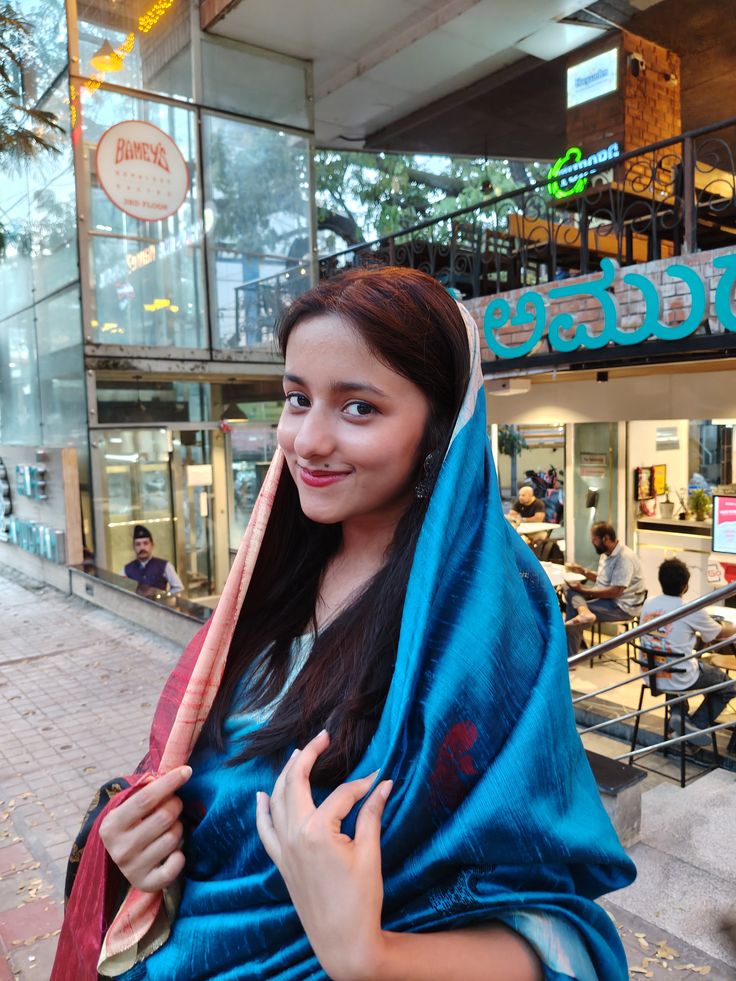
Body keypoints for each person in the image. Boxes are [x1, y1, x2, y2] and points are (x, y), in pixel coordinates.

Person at [53, 268, 634, 981]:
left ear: (439, 427)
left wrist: (371, 954)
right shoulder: (270, 576)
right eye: (297, 398)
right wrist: (138, 850)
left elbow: (548, 919)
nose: (308, 440)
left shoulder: (489, 612)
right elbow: (199, 786)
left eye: (359, 407)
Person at [639, 558, 736, 745]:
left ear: (661, 580)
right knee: (728, 687)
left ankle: (678, 714)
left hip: (651, 672)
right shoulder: (690, 609)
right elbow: (716, 633)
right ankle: (693, 726)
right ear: (685, 586)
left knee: (680, 663)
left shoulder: (648, 604)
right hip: (677, 676)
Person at [564, 521, 646, 660]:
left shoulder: (624, 558)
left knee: (573, 605)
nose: (592, 542)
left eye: (594, 539)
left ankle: (570, 658)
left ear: (606, 538)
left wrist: (584, 590)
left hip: (622, 606)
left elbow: (616, 591)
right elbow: (604, 579)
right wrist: (583, 572)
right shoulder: (606, 554)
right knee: (568, 588)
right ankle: (584, 613)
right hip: (609, 598)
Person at [122, 525, 183, 596]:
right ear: (133, 547)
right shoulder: (126, 569)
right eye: (138, 544)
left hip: (158, 603)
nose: (142, 548)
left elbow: (178, 588)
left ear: (152, 545)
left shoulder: (165, 566)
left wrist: (162, 596)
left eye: (145, 543)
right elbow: (120, 591)